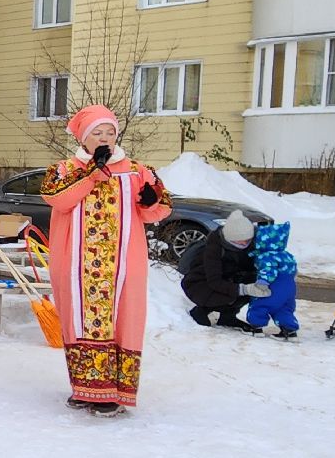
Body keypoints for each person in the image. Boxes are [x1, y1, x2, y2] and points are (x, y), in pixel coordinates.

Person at [42, 106, 173, 417]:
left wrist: (153, 201)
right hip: (77, 265)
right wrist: (91, 176)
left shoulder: (138, 170)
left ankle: (115, 392)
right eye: (96, 134)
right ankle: (84, 387)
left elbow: (160, 209)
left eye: (109, 132)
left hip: (123, 264)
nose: (104, 139)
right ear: (84, 139)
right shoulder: (63, 170)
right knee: (77, 321)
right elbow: (57, 199)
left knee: (123, 319)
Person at [180, 210, 264, 332]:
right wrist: (244, 289)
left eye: (248, 239)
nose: (245, 243)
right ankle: (201, 310)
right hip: (201, 284)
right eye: (241, 240)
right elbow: (214, 281)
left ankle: (228, 317)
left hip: (229, 279)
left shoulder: (250, 245)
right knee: (236, 290)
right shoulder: (214, 248)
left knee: (252, 280)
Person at [245, 221, 300, 338]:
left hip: (273, 286)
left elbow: (269, 270)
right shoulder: (287, 255)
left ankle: (256, 327)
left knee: (260, 305)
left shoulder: (267, 256)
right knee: (283, 309)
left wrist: (262, 283)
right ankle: (289, 330)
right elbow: (294, 271)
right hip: (289, 288)